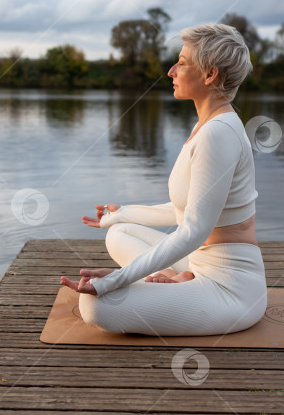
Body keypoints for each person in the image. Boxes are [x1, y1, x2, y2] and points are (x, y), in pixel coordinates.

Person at [59, 23, 267, 336]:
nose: (171, 70)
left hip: (229, 288)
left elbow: (194, 229)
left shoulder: (218, 134)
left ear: (210, 75)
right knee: (119, 232)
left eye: (182, 63)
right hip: (197, 265)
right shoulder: (208, 125)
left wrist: (118, 279)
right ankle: (173, 277)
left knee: (95, 307)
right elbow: (183, 209)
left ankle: (172, 281)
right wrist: (122, 213)